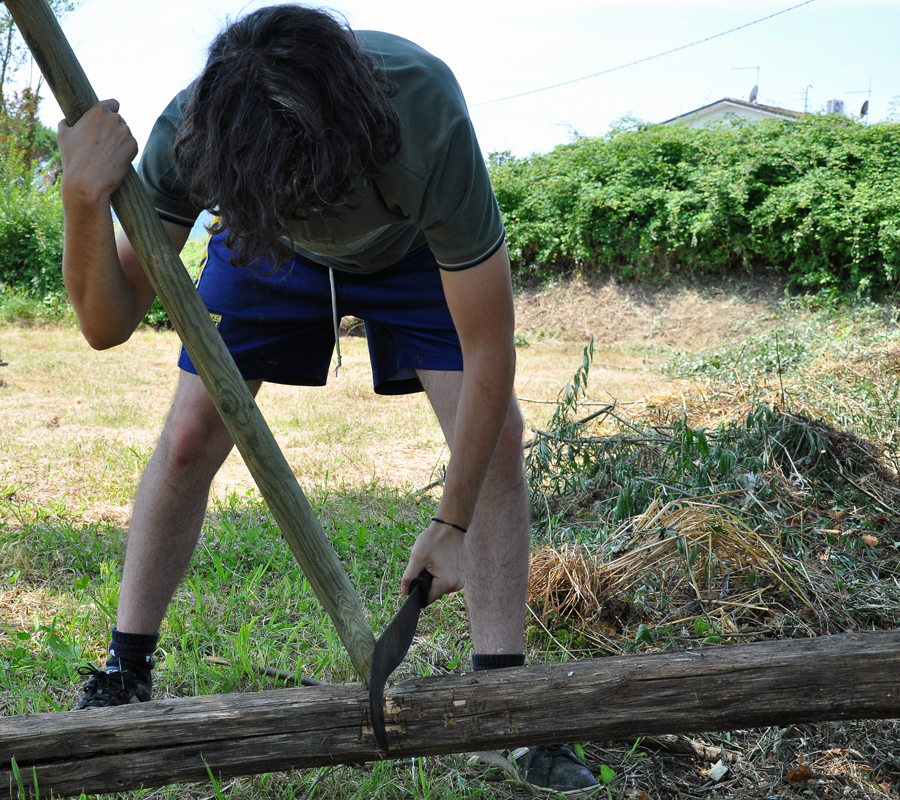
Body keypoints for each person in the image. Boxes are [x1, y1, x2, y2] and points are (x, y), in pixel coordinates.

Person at [57, 5, 598, 796]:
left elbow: (489, 346)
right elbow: (107, 324)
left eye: (298, 181)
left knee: (497, 442)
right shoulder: (199, 133)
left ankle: (505, 704)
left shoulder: (424, 115)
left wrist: (450, 524)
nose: (293, 193)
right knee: (190, 433)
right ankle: (124, 669)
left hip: (409, 252)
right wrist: (82, 199)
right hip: (263, 242)